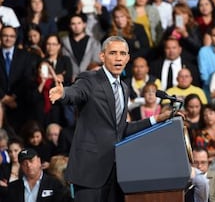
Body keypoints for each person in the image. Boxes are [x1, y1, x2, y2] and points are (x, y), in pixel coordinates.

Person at [48, 36, 175, 201]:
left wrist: (156, 119)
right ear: (102, 56)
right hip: (90, 171)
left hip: (117, 172)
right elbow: (76, 92)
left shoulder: (124, 87)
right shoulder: (89, 79)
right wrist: (63, 93)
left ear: (128, 58)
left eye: (123, 53)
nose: (118, 58)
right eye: (113, 53)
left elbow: (121, 129)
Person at [61, 14, 101, 81]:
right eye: (73, 24)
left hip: (89, 81)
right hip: (69, 81)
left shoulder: (94, 43)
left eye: (79, 23)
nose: (76, 26)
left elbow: (97, 61)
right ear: (70, 26)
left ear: (84, 24)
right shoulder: (63, 42)